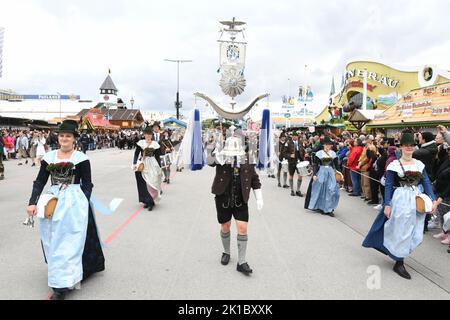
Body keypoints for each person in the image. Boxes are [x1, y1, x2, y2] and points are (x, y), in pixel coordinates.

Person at [26, 120, 105, 299]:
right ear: (58, 138)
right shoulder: (49, 157)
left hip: (75, 201)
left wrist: (83, 201)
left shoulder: (81, 159)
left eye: (68, 136)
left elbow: (88, 183)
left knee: (72, 239)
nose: (64, 139)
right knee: (54, 239)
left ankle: (62, 284)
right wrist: (33, 202)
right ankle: (61, 275)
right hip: (53, 202)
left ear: (74, 139)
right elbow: (40, 181)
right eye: (61, 135)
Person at [363, 131, 438, 280]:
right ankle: (399, 261)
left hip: (416, 200)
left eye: (411, 146)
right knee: (402, 231)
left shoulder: (419, 164)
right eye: (406, 146)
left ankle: (399, 253)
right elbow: (389, 185)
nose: (409, 148)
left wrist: (433, 199)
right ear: (401, 147)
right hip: (401, 200)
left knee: (416, 232)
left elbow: (426, 182)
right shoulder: (394, 165)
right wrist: (387, 204)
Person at [207, 130, 263, 275]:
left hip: (240, 198)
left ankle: (242, 262)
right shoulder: (221, 155)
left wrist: (259, 197)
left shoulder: (248, 158)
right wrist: (215, 148)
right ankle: (226, 252)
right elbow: (209, 162)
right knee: (225, 226)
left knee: (243, 228)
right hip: (223, 197)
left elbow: (254, 179)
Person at [304, 136, 340, 217]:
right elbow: (315, 165)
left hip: (330, 172)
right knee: (320, 189)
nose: (328, 146)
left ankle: (329, 208)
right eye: (326, 145)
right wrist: (315, 174)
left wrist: (340, 174)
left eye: (329, 145)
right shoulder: (319, 153)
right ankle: (321, 207)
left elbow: (337, 165)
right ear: (323, 145)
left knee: (331, 190)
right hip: (321, 172)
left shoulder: (333, 153)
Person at [133, 126, 163, 211]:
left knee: (152, 182)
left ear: (152, 135)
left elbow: (157, 156)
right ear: (144, 134)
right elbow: (136, 154)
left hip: (152, 164)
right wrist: (135, 163)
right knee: (143, 183)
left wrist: (160, 167)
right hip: (143, 164)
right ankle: (148, 201)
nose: (148, 136)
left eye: (150, 134)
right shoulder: (141, 143)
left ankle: (151, 200)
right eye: (146, 134)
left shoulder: (155, 144)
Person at [287, 132, 305, 197]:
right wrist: (289, 155)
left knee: (300, 175)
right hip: (291, 162)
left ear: (297, 137)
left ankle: (298, 190)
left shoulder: (300, 142)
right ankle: (292, 190)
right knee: (291, 175)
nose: (294, 137)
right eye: (293, 136)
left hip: (299, 162)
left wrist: (303, 157)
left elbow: (302, 150)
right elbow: (284, 153)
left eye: (295, 136)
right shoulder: (288, 143)